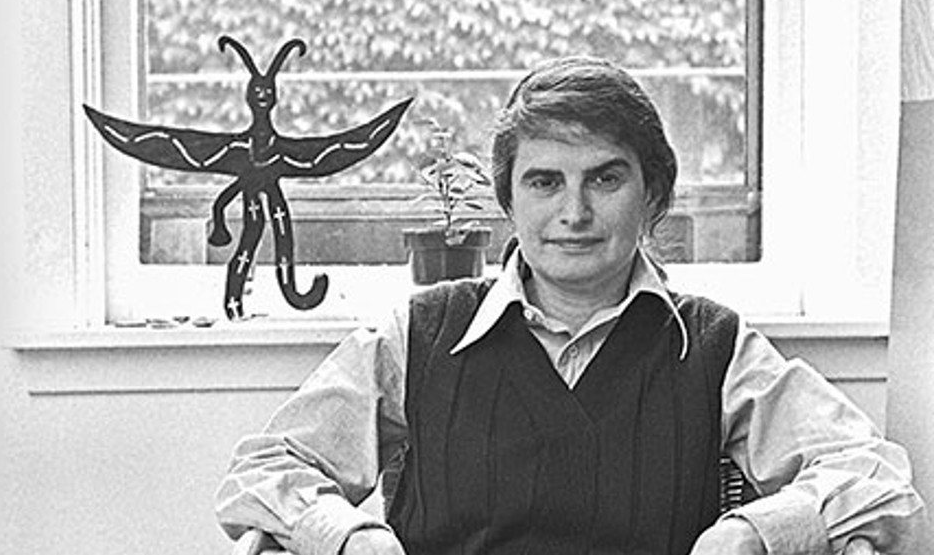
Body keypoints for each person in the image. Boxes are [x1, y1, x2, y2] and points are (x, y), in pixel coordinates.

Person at [215, 56, 928, 555]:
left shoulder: (713, 345)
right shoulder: (420, 335)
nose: (574, 212)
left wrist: (756, 533)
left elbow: (878, 476)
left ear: (652, 193)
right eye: (545, 181)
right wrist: (349, 537)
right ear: (509, 198)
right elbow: (263, 470)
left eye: (605, 179)